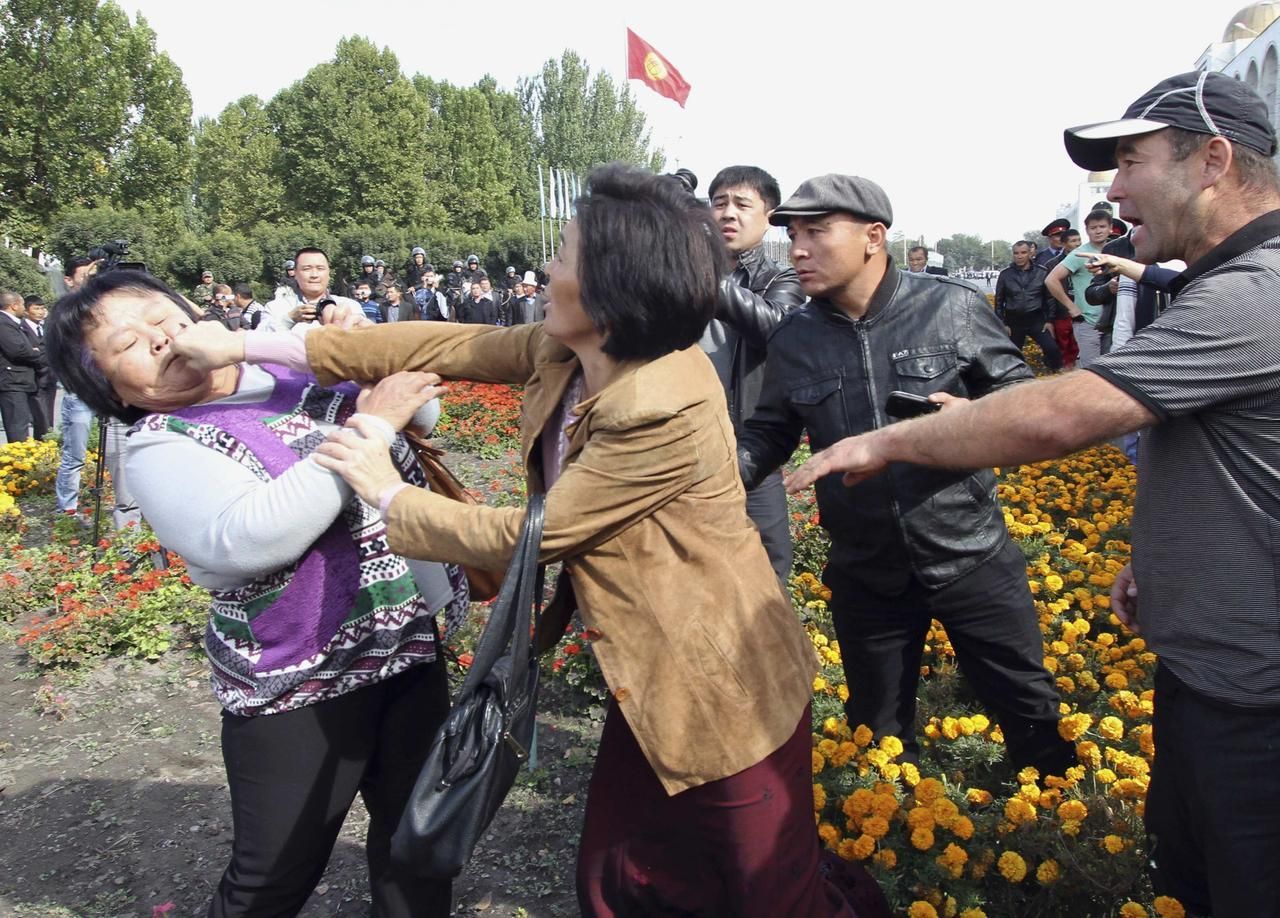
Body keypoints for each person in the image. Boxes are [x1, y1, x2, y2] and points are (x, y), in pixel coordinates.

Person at [171, 163, 887, 918]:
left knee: (766, 886)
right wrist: (254, 349)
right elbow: (449, 344)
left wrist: (386, 488)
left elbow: (532, 535)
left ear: (616, 287)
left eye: (566, 254)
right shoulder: (567, 350)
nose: (548, 268)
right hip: (646, 671)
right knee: (628, 872)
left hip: (719, 680)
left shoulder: (662, 400)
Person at [784, 70, 1280, 918]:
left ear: (1215, 160)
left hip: (1256, 704)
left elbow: (1058, 414)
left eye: (1130, 162)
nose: (1115, 193)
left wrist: (887, 438)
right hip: (1209, 673)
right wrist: (1154, 553)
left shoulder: (1255, 294)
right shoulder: (1223, 285)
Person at [45, 269, 469, 918]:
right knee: (271, 880)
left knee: (419, 845)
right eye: (126, 343)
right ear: (106, 386)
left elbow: (424, 408)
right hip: (296, 686)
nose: (159, 341)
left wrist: (357, 355)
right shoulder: (163, 443)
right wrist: (370, 426)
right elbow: (255, 537)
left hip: (402, 648)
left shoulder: (288, 367)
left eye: (162, 318)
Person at [736, 173, 1074, 777]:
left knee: (1030, 710)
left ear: (874, 237)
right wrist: (715, 476)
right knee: (879, 729)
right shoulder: (795, 336)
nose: (798, 250)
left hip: (969, 553)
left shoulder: (952, 308)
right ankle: (895, 841)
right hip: (866, 567)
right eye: (792, 236)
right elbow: (771, 430)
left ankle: (1059, 833)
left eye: (816, 232)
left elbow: (1021, 396)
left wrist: (973, 417)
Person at [703, 164, 805, 582]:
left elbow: (775, 328)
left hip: (749, 449)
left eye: (742, 204)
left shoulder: (781, 277)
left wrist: (702, 271)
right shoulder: (674, 274)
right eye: (718, 203)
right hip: (683, 442)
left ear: (770, 217)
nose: (728, 213)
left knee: (767, 569)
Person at [54, 256, 96, 520]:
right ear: (68, 280)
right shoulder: (65, 310)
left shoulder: (101, 305)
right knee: (75, 456)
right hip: (80, 393)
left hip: (107, 391)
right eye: (86, 275)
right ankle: (67, 510)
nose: (91, 280)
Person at [1046, 209, 1113, 366]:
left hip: (1113, 322)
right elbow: (1051, 280)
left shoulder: (1116, 250)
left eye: (1102, 227)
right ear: (1087, 230)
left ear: (1110, 228)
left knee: (1113, 372)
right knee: (1092, 372)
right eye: (1093, 228)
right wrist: (1072, 308)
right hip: (1089, 322)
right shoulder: (1080, 254)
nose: (1098, 231)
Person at [995, 241, 1063, 370]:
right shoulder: (1005, 275)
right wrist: (1002, 324)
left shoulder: (1042, 272)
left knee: (1052, 349)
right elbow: (999, 301)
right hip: (1013, 321)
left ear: (1030, 253)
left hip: (1036, 320)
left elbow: (1049, 298)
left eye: (1023, 252)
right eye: (1016, 253)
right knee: (1010, 356)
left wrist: (1049, 320)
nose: (1019, 256)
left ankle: (1055, 373)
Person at [268, 247, 362, 331]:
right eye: (307, 269)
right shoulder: (276, 307)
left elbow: (369, 342)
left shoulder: (351, 306)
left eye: (320, 268)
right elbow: (260, 341)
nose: (314, 275)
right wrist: (290, 319)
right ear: (295, 273)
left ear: (329, 273)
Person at [0, 291, 41, 442]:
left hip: (20, 381)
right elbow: (17, 351)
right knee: (17, 428)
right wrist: (36, 353)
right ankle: (18, 464)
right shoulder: (3, 323)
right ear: (14, 305)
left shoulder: (11, 323)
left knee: (22, 424)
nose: (24, 308)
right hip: (12, 382)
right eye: (23, 304)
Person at [23, 296, 56, 436]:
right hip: (34, 378)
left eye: (42, 308)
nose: (40, 312)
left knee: (49, 417)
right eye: (36, 308)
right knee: (40, 418)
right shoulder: (21, 328)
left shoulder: (46, 327)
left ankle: (48, 446)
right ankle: (41, 445)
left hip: (49, 377)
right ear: (26, 311)